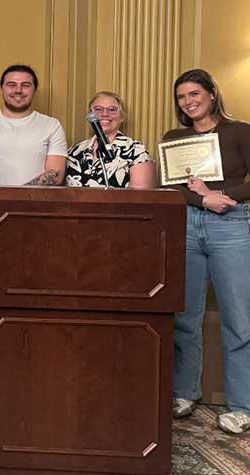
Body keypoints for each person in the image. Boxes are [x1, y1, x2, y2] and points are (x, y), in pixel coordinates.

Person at [165, 69, 250, 435]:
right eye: (182, 96)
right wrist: (202, 196)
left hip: (231, 225)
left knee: (239, 319)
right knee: (185, 315)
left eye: (195, 93)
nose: (189, 101)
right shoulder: (174, 137)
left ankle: (242, 406)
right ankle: (185, 393)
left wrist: (225, 198)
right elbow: (169, 186)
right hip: (186, 225)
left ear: (212, 93)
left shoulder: (240, 132)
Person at [0, 64, 67, 186]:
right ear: (1, 90)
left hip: (37, 203)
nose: (18, 90)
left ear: (34, 90)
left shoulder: (52, 125)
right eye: (11, 85)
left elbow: (55, 175)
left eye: (25, 85)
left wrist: (18, 196)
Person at [65, 91, 154, 189]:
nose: (104, 114)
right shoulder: (74, 151)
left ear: (121, 117)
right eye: (98, 109)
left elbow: (141, 197)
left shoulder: (136, 150)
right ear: (89, 116)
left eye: (112, 110)